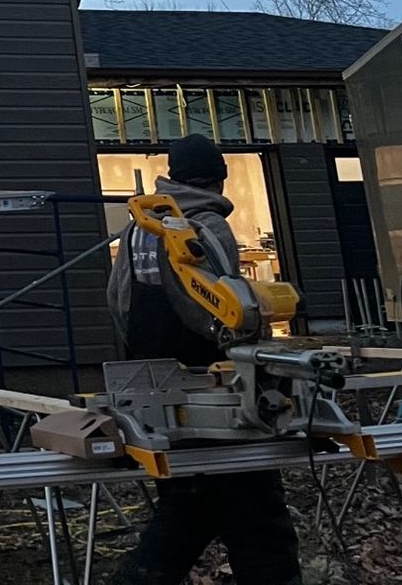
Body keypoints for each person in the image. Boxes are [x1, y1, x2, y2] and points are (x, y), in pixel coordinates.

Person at [107, 134, 303, 585]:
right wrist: (256, 349)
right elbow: (227, 311)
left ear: (172, 175)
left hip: (156, 389)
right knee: (258, 519)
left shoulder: (138, 227)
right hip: (218, 392)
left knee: (187, 504)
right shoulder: (207, 225)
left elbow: (118, 300)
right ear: (219, 179)